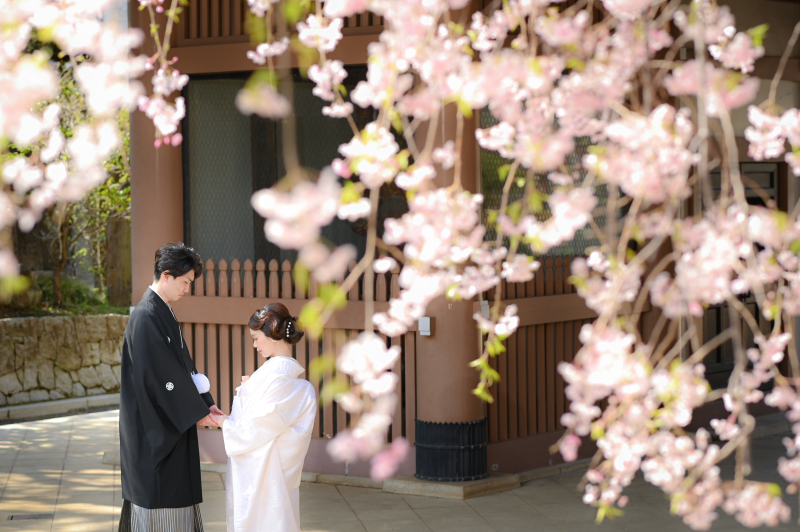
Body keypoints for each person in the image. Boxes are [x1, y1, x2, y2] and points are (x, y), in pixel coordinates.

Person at [118, 242, 223, 532]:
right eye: (186, 281)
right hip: (154, 428)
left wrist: (204, 403)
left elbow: (181, 368)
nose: (187, 288)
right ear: (167, 275)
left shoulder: (160, 311)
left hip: (168, 421)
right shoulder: (146, 316)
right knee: (160, 501)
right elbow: (159, 376)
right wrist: (195, 411)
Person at [212, 303, 317, 532]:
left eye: (256, 337)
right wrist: (230, 419)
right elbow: (259, 423)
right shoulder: (276, 374)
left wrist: (222, 422)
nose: (254, 344)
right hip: (264, 470)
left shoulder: (280, 377)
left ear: (273, 332)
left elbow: (257, 429)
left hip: (266, 474)